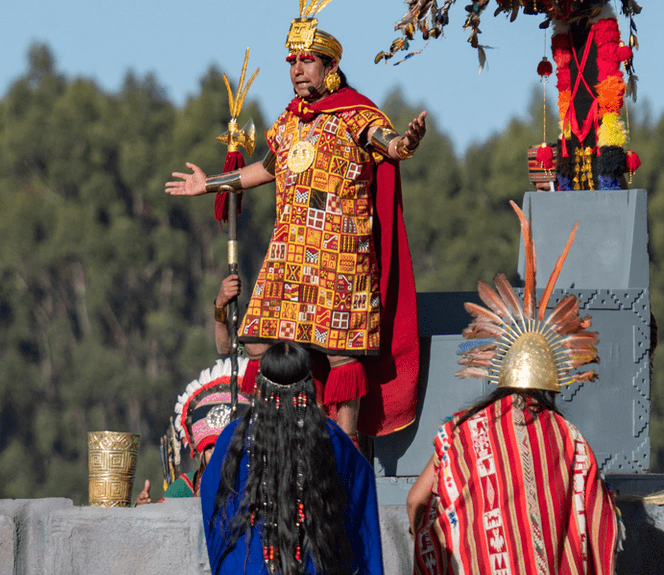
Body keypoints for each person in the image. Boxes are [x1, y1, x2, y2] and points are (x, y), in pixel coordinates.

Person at [169, 0, 424, 446]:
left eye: (307, 61)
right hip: (290, 254)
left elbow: (388, 145)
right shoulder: (287, 124)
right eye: (292, 62)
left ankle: (344, 456)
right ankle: (279, 436)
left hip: (341, 256)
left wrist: (405, 143)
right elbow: (264, 169)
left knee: (341, 357)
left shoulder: (355, 115)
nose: (297, 70)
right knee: (259, 340)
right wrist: (210, 185)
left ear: (330, 68)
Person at [407, 202, 621, 574]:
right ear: (552, 383)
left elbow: (415, 500)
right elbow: (604, 522)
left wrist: (434, 549)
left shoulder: (462, 430)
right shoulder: (569, 438)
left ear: (501, 371)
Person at [202, 342, 381, 575]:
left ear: (260, 384)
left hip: (246, 566)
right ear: (308, 384)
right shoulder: (332, 438)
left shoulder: (233, 437)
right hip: (314, 563)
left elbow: (212, 500)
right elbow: (360, 500)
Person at [137, 358, 250, 503]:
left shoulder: (260, 485)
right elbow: (158, 520)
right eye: (210, 448)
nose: (218, 454)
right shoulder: (185, 488)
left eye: (225, 445)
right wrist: (141, 509)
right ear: (201, 453)